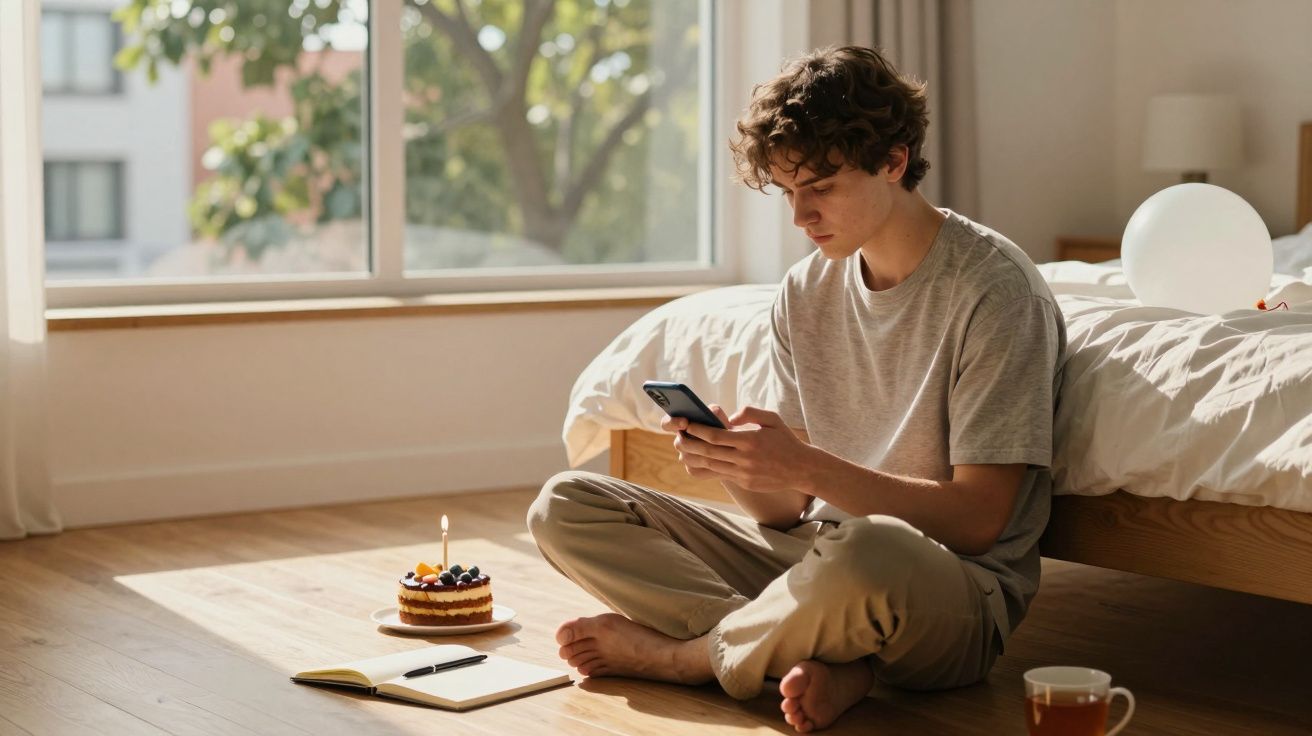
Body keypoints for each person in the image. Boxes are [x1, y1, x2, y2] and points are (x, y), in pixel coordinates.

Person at [527, 45, 1065, 733]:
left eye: (821, 186)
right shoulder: (805, 290)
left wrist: (807, 465)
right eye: (788, 192)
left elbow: (979, 520)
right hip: (813, 561)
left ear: (893, 162)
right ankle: (819, 658)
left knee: (872, 547)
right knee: (564, 505)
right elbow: (787, 516)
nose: (800, 217)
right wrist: (739, 464)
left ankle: (692, 658)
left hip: (945, 588)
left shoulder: (994, 290)